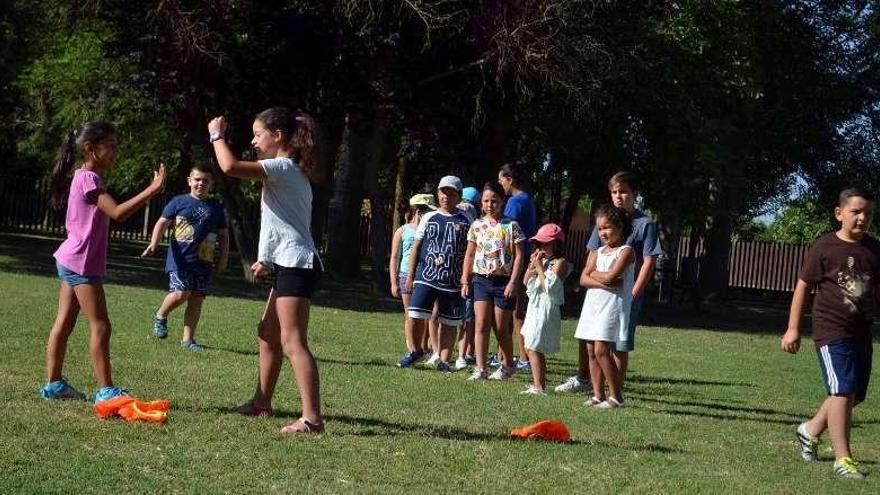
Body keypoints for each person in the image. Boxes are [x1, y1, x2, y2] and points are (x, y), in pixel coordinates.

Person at [208, 107, 325, 433]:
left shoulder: (284, 168)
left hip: (298, 265)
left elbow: (229, 166)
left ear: (278, 137)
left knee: (292, 342)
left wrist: (217, 135)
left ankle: (312, 419)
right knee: (267, 333)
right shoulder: (287, 171)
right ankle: (261, 404)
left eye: (258, 134)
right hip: (291, 262)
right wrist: (267, 259)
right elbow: (285, 223)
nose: (253, 140)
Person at [40, 122, 166, 403]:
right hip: (81, 263)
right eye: (111, 146)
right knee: (101, 325)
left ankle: (54, 384)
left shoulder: (83, 176)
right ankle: (106, 391)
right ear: (90, 148)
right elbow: (118, 212)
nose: (116, 152)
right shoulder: (90, 180)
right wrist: (153, 189)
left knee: (65, 322)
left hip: (70, 258)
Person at [782, 188, 879, 480]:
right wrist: (793, 328)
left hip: (862, 332)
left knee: (854, 395)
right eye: (856, 211)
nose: (863, 218)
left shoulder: (875, 250)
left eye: (868, 213)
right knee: (842, 391)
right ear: (839, 214)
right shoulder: (824, 247)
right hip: (830, 330)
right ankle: (843, 458)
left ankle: (809, 430)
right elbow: (802, 287)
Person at [556, 171, 662, 393]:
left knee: (619, 344)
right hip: (599, 293)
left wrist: (634, 292)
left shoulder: (645, 224)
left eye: (623, 192)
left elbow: (648, 261)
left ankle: (616, 390)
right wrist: (597, 281)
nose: (618, 196)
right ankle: (588, 382)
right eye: (614, 192)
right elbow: (591, 259)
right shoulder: (604, 220)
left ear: (635, 194)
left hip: (626, 293)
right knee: (590, 339)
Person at [142, 165, 229, 350]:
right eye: (197, 179)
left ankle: (188, 340)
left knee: (196, 298)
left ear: (211, 184)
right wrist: (153, 244)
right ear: (189, 181)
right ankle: (160, 315)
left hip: (203, 262)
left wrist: (223, 258)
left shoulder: (216, 208)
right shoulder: (178, 202)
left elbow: (223, 235)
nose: (201, 183)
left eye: (206, 180)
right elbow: (161, 223)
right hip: (180, 259)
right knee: (181, 293)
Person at [405, 175, 471, 373]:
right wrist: (410, 275)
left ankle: (444, 360)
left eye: (451, 194)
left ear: (459, 197)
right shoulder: (428, 217)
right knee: (415, 313)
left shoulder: (467, 219)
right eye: (443, 192)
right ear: (438, 194)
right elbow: (416, 247)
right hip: (426, 276)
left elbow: (471, 250)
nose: (446, 197)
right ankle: (416, 350)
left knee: (449, 322)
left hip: (453, 280)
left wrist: (466, 278)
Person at [460, 181, 524, 380]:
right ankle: (480, 368)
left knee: (500, 327)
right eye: (486, 201)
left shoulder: (511, 226)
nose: (490, 205)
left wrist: (514, 281)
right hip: (481, 280)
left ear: (502, 202)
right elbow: (470, 255)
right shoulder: (477, 226)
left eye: (494, 201)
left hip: (503, 281)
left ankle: (508, 363)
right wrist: (465, 280)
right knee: (480, 324)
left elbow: (520, 255)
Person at [574, 205, 633, 409]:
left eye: (607, 227)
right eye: (599, 229)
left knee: (601, 350)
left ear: (620, 226)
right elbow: (583, 278)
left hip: (611, 307)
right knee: (590, 349)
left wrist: (597, 276)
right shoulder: (597, 252)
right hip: (593, 305)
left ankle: (616, 396)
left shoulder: (626, 252)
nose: (603, 233)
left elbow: (611, 276)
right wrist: (604, 281)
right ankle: (598, 395)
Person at [520, 224, 570, 395]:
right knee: (529, 344)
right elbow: (526, 282)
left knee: (535, 346)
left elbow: (550, 286)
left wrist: (540, 268)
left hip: (547, 307)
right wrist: (531, 268)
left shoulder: (560, 263)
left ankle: (539, 387)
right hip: (534, 306)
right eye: (539, 244)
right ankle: (537, 383)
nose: (541, 248)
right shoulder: (542, 262)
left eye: (545, 244)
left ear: (556, 245)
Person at [498, 163, 537, 371]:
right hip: (527, 258)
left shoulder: (515, 201)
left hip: (516, 261)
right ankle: (512, 355)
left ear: (510, 179)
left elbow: (506, 231)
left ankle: (522, 357)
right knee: (518, 308)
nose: (499, 183)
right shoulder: (529, 199)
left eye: (501, 179)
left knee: (513, 310)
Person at [391, 193, 435, 367]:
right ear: (418, 212)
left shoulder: (430, 230)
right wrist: (393, 282)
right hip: (405, 275)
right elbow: (394, 256)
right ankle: (412, 348)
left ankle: (424, 347)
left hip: (425, 275)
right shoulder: (403, 231)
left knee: (426, 314)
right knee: (410, 314)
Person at [455, 185, 480, 370]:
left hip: (459, 269)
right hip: (467, 271)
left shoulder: (461, 212)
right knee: (467, 316)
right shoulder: (473, 215)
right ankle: (466, 352)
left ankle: (438, 350)